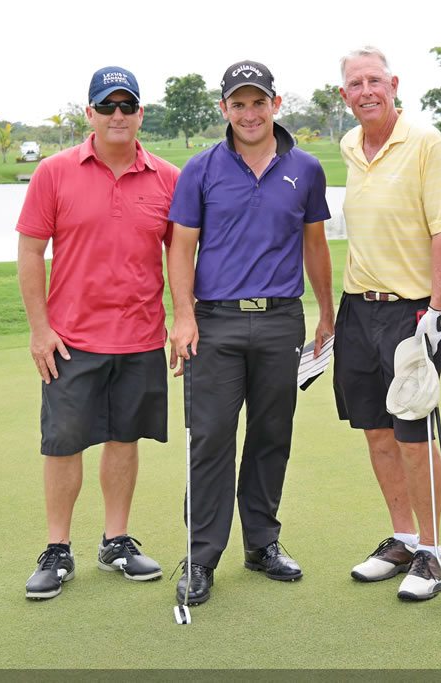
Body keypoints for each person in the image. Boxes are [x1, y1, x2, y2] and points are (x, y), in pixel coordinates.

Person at [167, 60, 334, 607]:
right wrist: (184, 315)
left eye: (258, 102)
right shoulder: (201, 168)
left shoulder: (306, 169)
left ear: (275, 104)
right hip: (215, 321)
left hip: (281, 319)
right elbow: (181, 247)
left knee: (270, 435)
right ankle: (200, 556)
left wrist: (326, 312)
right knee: (211, 436)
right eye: (238, 104)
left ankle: (261, 544)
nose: (249, 113)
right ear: (224, 109)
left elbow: (314, 244)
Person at [17, 66, 179, 600]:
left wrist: (185, 317)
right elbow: (30, 251)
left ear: (140, 114)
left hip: (140, 336)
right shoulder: (54, 172)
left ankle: (115, 541)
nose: (117, 115)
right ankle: (57, 548)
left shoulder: (167, 178)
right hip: (71, 339)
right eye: (106, 106)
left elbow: (181, 255)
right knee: (63, 444)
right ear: (89, 113)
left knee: (124, 439)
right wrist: (39, 329)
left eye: (127, 106)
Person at [333, 46, 441, 601]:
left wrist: (436, 308)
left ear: (393, 84)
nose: (366, 91)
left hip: (411, 311)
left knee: (413, 434)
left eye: (374, 81)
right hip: (357, 308)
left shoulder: (425, 141)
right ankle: (405, 539)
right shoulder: (349, 145)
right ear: (345, 95)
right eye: (355, 84)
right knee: (376, 430)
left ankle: (432, 554)